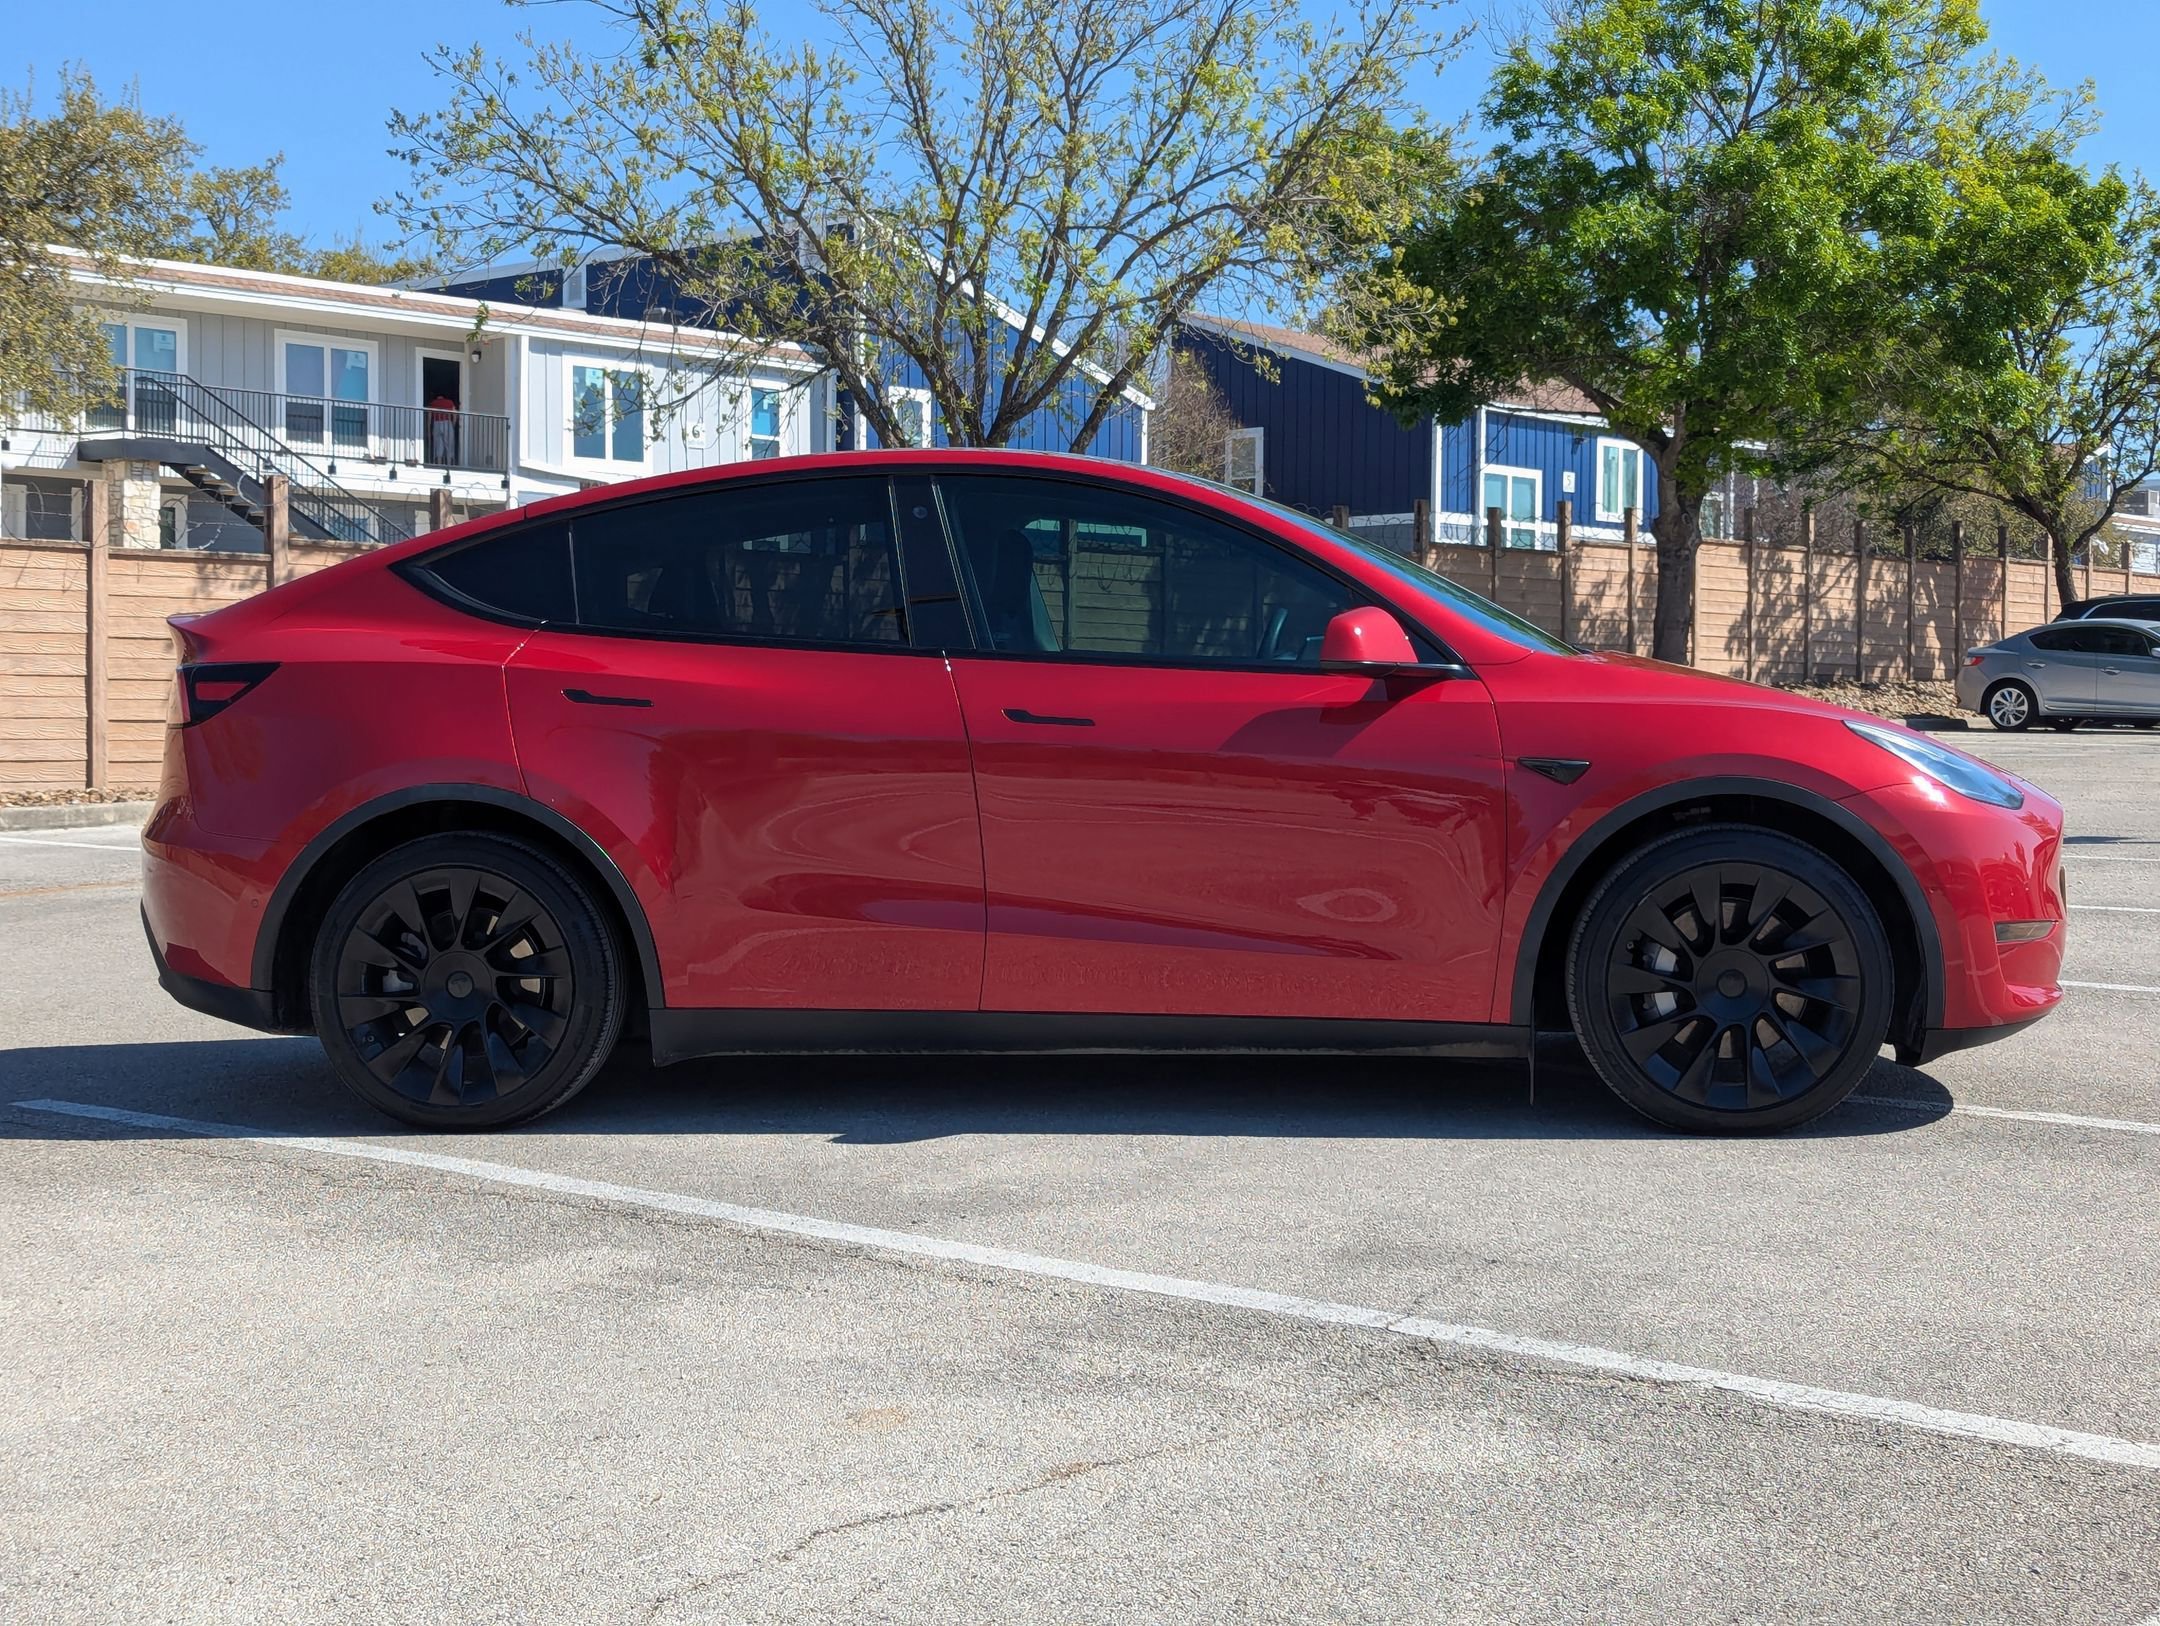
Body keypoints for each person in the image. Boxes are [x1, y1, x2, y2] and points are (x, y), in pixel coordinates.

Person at [426, 392, 458, 465]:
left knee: (438, 445)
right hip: (447, 423)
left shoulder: (433, 403)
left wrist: (428, 429)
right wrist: (453, 424)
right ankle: (449, 464)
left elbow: (429, 417)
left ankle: (439, 464)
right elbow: (455, 414)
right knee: (449, 444)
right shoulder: (449, 402)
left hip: (436, 423)